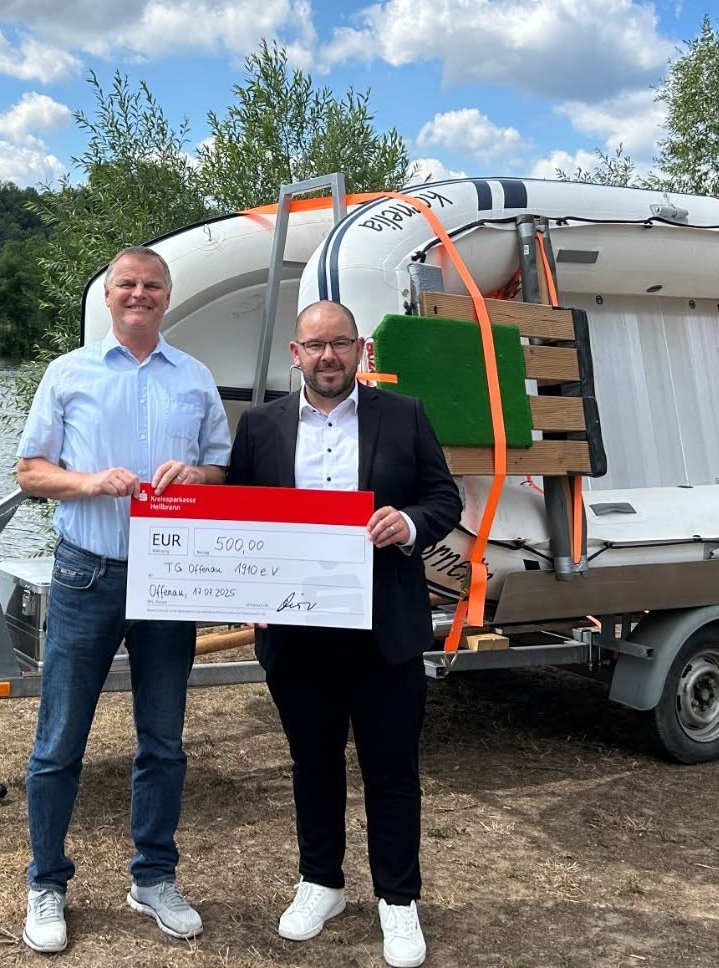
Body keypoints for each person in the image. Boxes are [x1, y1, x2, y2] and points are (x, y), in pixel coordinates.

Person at [227, 300, 462, 968]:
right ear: (295, 354)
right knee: (313, 763)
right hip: (297, 633)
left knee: (392, 769)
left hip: (384, 629)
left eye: (339, 344)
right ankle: (321, 882)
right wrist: (246, 591)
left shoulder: (404, 415)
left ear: (360, 350)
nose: (327, 356)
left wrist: (408, 524)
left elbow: (444, 499)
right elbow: (239, 519)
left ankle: (398, 899)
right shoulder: (262, 425)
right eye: (315, 345)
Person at [15, 245, 231, 954]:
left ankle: (154, 879)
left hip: (169, 577)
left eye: (153, 286)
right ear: (108, 296)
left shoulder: (194, 377)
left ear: (168, 297)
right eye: (127, 285)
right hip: (88, 574)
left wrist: (196, 476)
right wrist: (88, 482)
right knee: (59, 741)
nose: (140, 295)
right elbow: (30, 472)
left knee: (163, 741)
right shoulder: (68, 372)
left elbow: (221, 470)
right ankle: (47, 883)